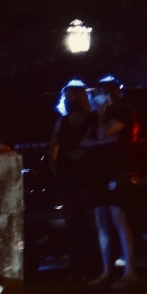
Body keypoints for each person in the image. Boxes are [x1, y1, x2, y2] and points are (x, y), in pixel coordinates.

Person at [81, 77, 139, 290]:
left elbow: (101, 133)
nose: (93, 98)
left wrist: (101, 118)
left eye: (98, 93)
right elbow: (86, 140)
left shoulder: (120, 112)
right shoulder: (97, 117)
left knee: (118, 219)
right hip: (98, 173)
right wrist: (101, 138)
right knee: (101, 220)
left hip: (117, 171)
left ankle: (129, 271)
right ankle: (106, 270)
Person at [47, 83, 99, 280]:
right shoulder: (63, 121)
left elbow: (99, 139)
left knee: (89, 220)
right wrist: (54, 165)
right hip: (69, 174)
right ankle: (78, 267)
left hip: (87, 174)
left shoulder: (93, 119)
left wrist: (85, 152)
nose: (71, 101)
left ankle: (93, 266)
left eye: (74, 97)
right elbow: (54, 143)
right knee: (74, 222)